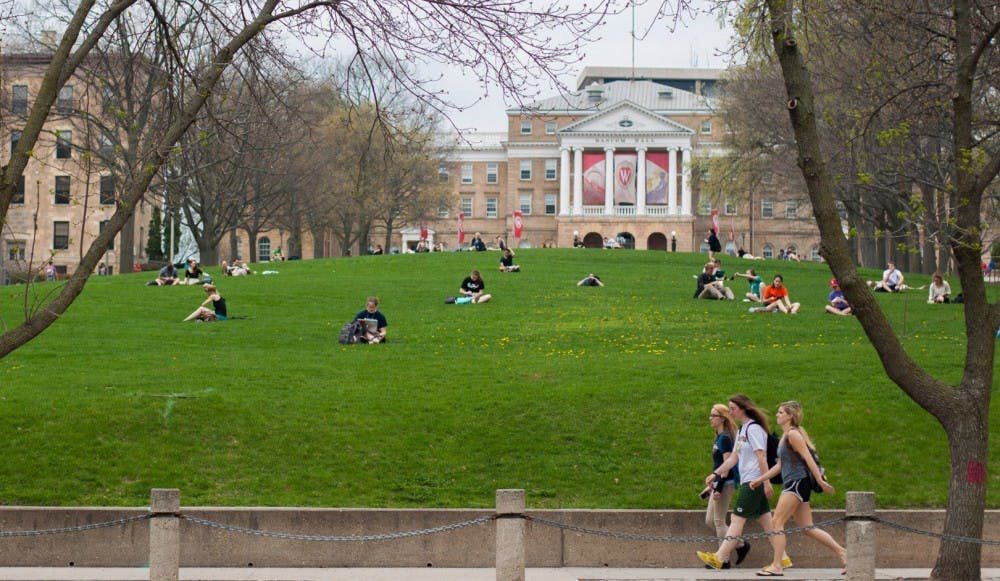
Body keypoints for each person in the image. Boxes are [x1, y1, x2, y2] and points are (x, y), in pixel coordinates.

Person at [749, 401, 844, 577]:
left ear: (789, 416)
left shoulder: (793, 435)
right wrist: (760, 480)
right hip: (795, 483)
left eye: (780, 412)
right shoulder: (785, 436)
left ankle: (777, 565)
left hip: (796, 483)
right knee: (807, 527)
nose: (777, 415)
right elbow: (780, 466)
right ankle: (844, 554)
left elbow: (809, 459)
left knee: (776, 522)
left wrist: (821, 481)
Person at [697, 394, 789, 572]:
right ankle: (783, 558)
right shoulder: (741, 431)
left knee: (736, 519)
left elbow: (761, 456)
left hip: (754, 481)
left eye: (733, 408)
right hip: (751, 480)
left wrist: (766, 482)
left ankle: (720, 557)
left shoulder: (754, 429)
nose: (730, 411)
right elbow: (733, 458)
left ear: (743, 408)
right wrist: (716, 473)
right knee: (766, 521)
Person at [701, 404, 749, 570]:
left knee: (719, 521)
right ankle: (740, 544)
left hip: (726, 483)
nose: (710, 418)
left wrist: (719, 488)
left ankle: (723, 559)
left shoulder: (726, 438)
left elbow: (728, 466)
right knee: (710, 521)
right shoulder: (719, 436)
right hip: (718, 482)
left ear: (722, 418)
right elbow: (719, 464)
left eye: (713, 415)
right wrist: (712, 486)